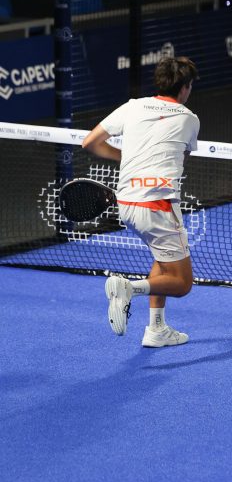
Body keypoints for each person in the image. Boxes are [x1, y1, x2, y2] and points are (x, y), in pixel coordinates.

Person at [82, 56, 200, 348]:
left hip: (126, 203)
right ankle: (129, 288)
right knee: (182, 283)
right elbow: (181, 159)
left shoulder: (132, 106)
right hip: (157, 206)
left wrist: (126, 157)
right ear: (184, 88)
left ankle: (156, 329)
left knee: (163, 259)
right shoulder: (189, 119)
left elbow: (90, 142)